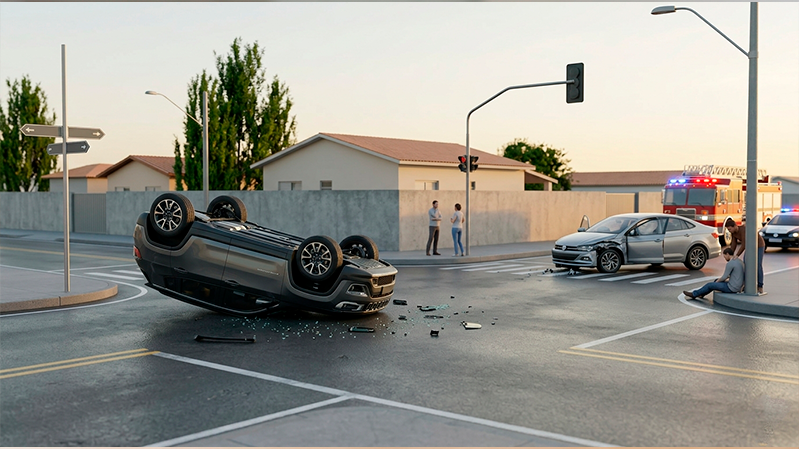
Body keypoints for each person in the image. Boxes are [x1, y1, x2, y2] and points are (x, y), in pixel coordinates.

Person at [725, 218, 766, 294]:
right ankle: (745, 284)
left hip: (759, 246)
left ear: (735, 226)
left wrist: (737, 255)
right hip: (750, 247)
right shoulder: (733, 233)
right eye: (728, 229)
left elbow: (744, 244)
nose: (729, 231)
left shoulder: (743, 229)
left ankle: (760, 286)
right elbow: (733, 244)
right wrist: (730, 254)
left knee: (758, 265)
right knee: (745, 264)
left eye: (730, 229)